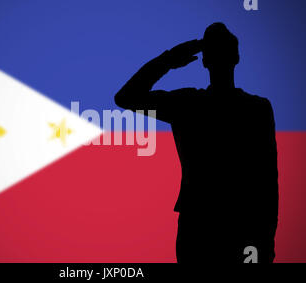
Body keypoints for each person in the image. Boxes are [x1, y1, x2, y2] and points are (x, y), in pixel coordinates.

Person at [114, 23, 278, 263]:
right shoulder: (254, 109)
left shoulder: (189, 104)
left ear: (204, 61)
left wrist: (169, 59)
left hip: (207, 227)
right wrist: (266, 241)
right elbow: (268, 182)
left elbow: (126, 97)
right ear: (237, 57)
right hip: (227, 228)